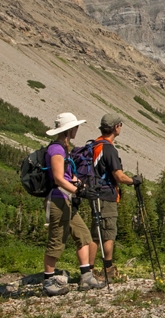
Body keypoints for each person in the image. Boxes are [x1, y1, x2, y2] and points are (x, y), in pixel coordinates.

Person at [43, 112, 105, 296]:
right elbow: (59, 178)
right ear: (68, 129)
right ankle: (48, 281)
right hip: (58, 199)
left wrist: (85, 187)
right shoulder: (57, 150)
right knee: (56, 240)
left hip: (66, 199)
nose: (77, 129)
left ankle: (86, 276)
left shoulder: (64, 148)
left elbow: (69, 176)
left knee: (83, 235)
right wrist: (79, 191)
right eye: (75, 127)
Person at [88, 113, 142, 280]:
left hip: (95, 194)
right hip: (106, 196)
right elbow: (119, 176)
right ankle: (108, 269)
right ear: (115, 127)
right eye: (120, 125)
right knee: (108, 233)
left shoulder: (95, 145)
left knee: (96, 233)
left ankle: (88, 270)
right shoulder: (109, 149)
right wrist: (133, 181)